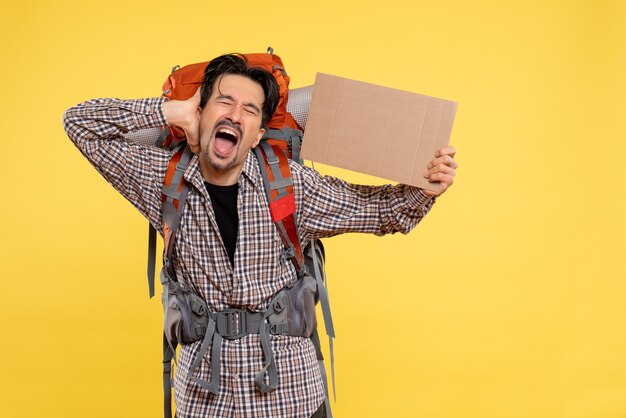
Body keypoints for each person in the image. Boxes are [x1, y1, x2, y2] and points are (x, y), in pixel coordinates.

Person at [63, 54, 458, 418]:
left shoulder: (291, 187)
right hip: (204, 400)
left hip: (290, 395)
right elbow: (79, 124)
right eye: (223, 101)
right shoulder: (161, 180)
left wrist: (426, 189)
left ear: (256, 135)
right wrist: (170, 109)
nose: (235, 114)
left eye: (249, 110)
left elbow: (378, 211)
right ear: (200, 114)